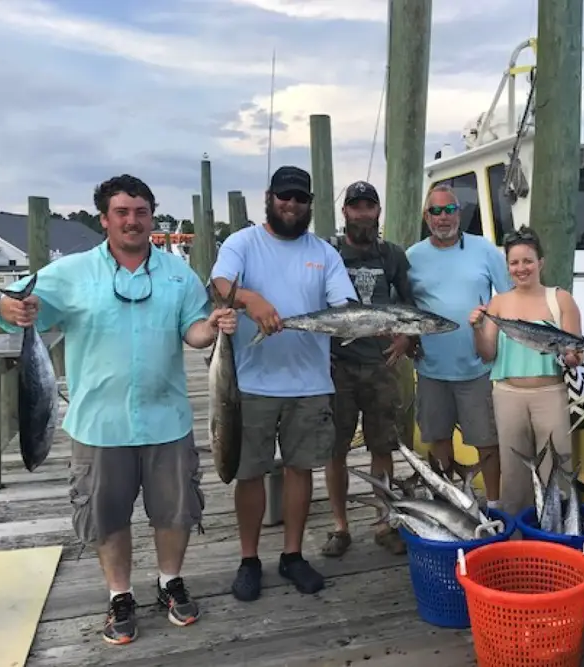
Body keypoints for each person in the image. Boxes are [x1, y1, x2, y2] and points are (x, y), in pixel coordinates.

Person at [0, 174, 236, 646]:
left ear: (152, 216)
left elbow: (193, 333)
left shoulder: (178, 274)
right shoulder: (70, 272)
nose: (132, 220)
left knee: (176, 512)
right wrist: (10, 307)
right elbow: (14, 304)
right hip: (98, 425)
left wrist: (213, 327)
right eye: (122, 212)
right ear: (104, 219)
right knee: (107, 518)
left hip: (167, 419)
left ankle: (170, 582)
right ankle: (119, 594)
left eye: (141, 211)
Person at [210, 165, 358, 603]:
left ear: (310, 204)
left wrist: (369, 323)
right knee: (249, 471)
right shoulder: (242, 242)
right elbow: (220, 283)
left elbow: (343, 304)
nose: (290, 205)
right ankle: (249, 558)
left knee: (301, 468)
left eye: (299, 198)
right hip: (249, 382)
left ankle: (292, 554)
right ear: (269, 198)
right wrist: (250, 298)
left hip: (310, 382)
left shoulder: (325, 254)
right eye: (283, 197)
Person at [321, 180, 415, 558]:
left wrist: (407, 339)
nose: (362, 213)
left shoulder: (392, 255)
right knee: (335, 448)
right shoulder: (329, 254)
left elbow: (409, 302)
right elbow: (315, 302)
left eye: (369, 207)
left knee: (381, 446)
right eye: (355, 206)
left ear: (378, 212)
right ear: (345, 212)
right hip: (337, 367)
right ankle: (339, 526)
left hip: (380, 365)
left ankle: (382, 521)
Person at [406, 184, 513, 508]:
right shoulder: (412, 257)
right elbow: (403, 306)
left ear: (459, 213)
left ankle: (494, 503)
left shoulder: (485, 250)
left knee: (487, 440)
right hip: (431, 368)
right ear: (426, 217)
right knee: (437, 438)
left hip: (478, 368)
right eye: (435, 211)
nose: (443, 217)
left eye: (449, 210)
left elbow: (507, 298)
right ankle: (448, 502)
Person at [468, 226, 583, 517]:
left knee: (557, 466)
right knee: (514, 469)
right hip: (507, 395)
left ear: (541, 262)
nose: (522, 268)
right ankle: (517, 534)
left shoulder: (561, 299)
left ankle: (557, 531)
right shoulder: (499, 303)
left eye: (528, 261)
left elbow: (576, 352)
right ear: (507, 267)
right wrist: (477, 329)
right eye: (515, 263)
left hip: (551, 394)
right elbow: (487, 354)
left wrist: (571, 356)